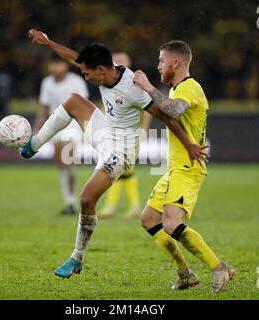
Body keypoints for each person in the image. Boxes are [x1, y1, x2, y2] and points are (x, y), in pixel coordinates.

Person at [21, 29, 205, 279]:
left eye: (87, 73)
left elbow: (167, 117)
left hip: (122, 149)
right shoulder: (105, 69)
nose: (85, 77)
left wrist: (189, 144)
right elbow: (73, 57)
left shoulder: (131, 88)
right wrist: (48, 42)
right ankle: (35, 143)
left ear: (101, 70)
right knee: (74, 100)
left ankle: (77, 258)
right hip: (104, 132)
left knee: (86, 199)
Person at [133, 40, 235, 292]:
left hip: (187, 169)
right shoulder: (178, 89)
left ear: (175, 62)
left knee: (170, 224)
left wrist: (147, 86)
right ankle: (185, 274)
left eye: (161, 61)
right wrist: (188, 142)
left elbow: (175, 111)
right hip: (176, 168)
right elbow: (172, 118)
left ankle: (218, 267)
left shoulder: (189, 88)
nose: (158, 66)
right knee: (148, 219)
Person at [98, 51, 152, 219]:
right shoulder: (111, 84)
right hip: (115, 135)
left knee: (117, 169)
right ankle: (132, 206)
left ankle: (112, 206)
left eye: (121, 61)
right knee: (123, 171)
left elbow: (149, 108)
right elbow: (107, 107)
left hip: (131, 134)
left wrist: (144, 129)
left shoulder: (135, 83)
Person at [34, 55, 89, 215]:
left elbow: (84, 106)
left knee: (66, 159)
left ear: (65, 65)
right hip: (55, 126)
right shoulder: (47, 83)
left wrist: (87, 129)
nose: (54, 67)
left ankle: (71, 200)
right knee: (62, 164)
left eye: (58, 64)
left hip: (73, 125)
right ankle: (70, 203)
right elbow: (44, 108)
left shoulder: (76, 82)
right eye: (52, 64)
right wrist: (38, 129)